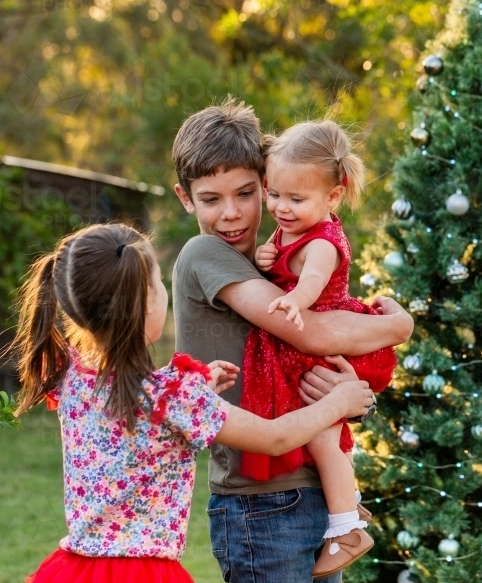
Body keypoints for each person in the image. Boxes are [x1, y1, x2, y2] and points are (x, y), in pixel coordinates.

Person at [16, 223, 375, 583]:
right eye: (158, 283)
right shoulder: (174, 397)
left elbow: (134, 409)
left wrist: (193, 385)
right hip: (146, 573)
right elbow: (274, 437)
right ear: (145, 304)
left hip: (77, 568)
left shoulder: (70, 376)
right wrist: (337, 402)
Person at [171, 99, 413, 582]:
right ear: (185, 198)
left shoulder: (284, 259)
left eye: (245, 193)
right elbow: (314, 333)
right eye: (211, 199)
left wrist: (350, 398)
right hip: (259, 503)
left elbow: (331, 341)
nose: (232, 214)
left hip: (315, 487)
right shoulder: (203, 254)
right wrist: (399, 328)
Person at [238, 121, 396, 577]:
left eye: (296, 199)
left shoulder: (323, 240)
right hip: (297, 351)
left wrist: (292, 300)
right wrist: (266, 260)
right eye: (274, 194)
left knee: (325, 438)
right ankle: (347, 508)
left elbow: (310, 280)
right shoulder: (290, 228)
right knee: (317, 437)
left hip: (318, 348)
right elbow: (283, 260)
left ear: (333, 197)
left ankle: (348, 528)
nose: (281, 208)